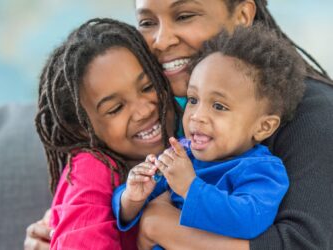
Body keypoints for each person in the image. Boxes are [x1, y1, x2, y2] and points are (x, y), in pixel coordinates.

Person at [25, 0, 333, 249]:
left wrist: (162, 228)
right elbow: (103, 208)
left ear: (241, 15)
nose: (161, 40)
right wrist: (69, 223)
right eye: (147, 22)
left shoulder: (314, 114)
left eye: (184, 15)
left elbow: (304, 242)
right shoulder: (177, 113)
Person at [114, 23, 305, 248]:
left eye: (219, 106)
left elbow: (248, 221)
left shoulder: (262, 171)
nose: (197, 116)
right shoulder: (182, 154)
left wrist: (189, 187)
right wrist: (132, 196)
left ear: (263, 127)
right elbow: (132, 203)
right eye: (193, 100)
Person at [31, 17, 180, 250]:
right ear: (81, 127)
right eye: (115, 109)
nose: (143, 111)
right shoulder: (91, 168)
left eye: (148, 87)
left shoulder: (192, 134)